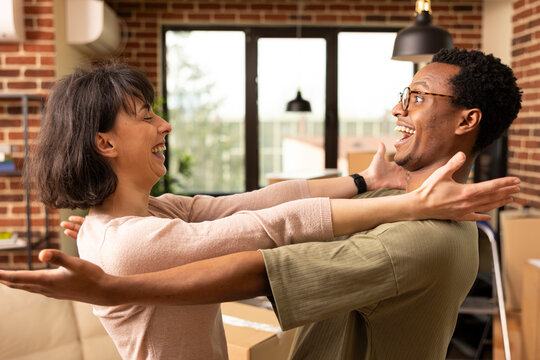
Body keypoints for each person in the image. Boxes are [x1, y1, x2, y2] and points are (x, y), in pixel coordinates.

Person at [0, 48, 521, 359]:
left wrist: (367, 182)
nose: (165, 125)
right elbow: (270, 229)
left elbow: (260, 205)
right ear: (104, 144)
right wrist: (400, 201)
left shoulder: (156, 213)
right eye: (144, 116)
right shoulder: (137, 232)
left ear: (467, 120)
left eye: (417, 96)